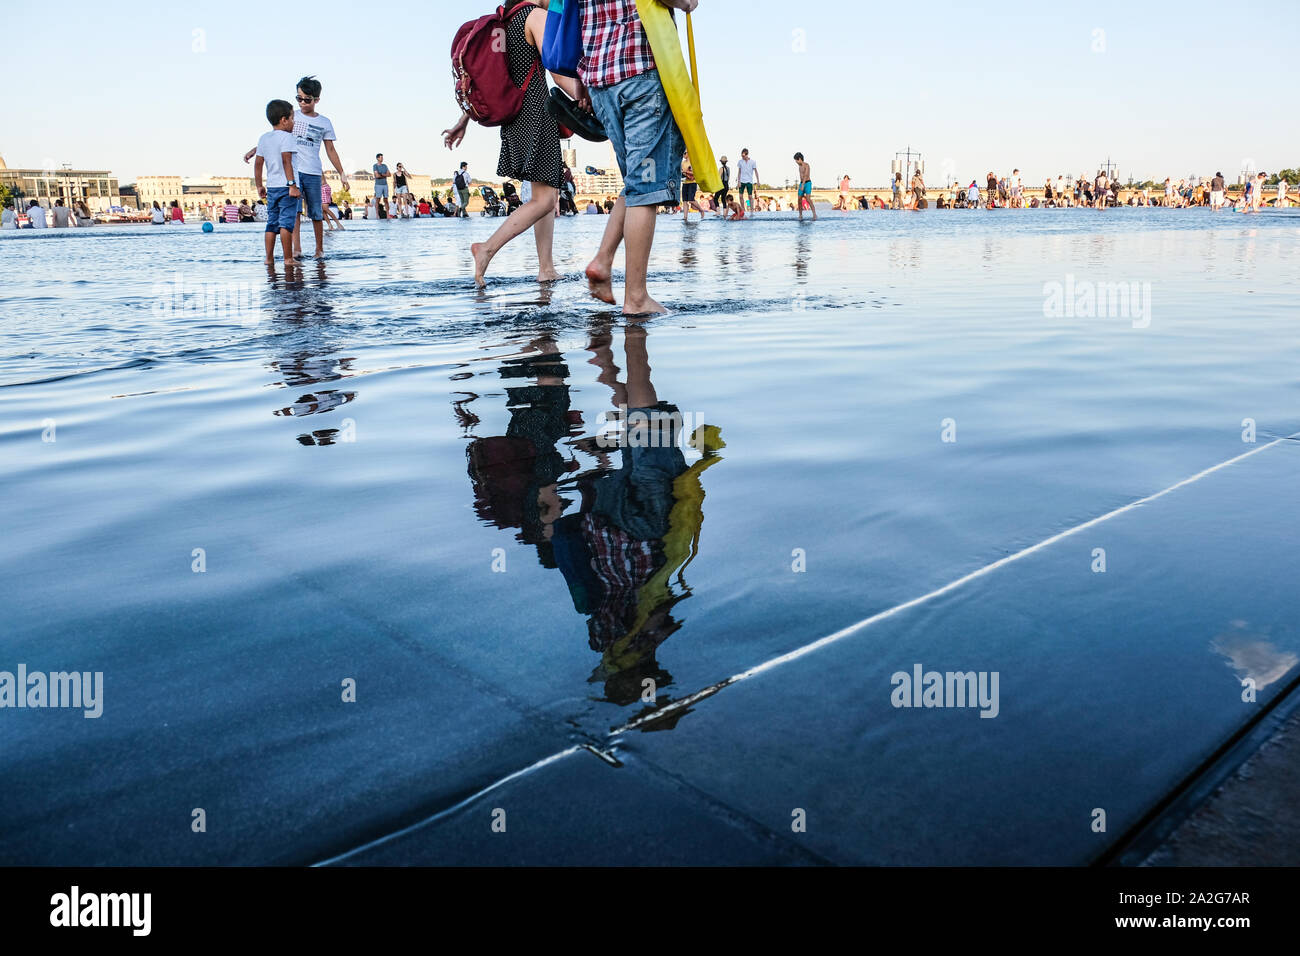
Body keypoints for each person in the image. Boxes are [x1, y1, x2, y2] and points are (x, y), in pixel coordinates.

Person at [573, 0, 702, 313]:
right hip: (640, 72)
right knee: (645, 192)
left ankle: (603, 262)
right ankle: (637, 298)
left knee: (635, 182)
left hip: (600, 82)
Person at [441, 0, 571, 285]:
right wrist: (591, 100)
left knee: (543, 191)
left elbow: (492, 77)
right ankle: (486, 249)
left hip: (515, 116)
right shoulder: (535, 16)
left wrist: (463, 120)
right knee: (546, 198)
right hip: (536, 111)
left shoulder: (506, 22)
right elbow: (558, 74)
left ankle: (546, 267)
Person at [253, 98, 302, 265]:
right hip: (286, 187)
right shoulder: (287, 138)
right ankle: (288, 259)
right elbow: (286, 161)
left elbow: (258, 163)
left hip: (272, 186)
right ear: (284, 120)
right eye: (292, 118)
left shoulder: (264, 138)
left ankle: (269, 258)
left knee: (271, 223)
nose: (294, 122)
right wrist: (292, 185)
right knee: (286, 224)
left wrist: (259, 185)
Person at [680, 153, 704, 222]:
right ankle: (685, 217)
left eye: (684, 153)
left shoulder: (693, 162)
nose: (683, 155)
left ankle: (701, 210)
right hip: (685, 182)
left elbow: (696, 172)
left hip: (692, 182)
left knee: (691, 200)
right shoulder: (682, 162)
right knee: (684, 201)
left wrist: (685, 172)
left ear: (688, 153)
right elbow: (681, 172)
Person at [794, 152, 817, 220]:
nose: (796, 162)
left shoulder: (806, 165)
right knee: (799, 199)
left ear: (800, 159)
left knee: (808, 199)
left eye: (796, 160)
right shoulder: (799, 167)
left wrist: (803, 184)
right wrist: (801, 184)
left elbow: (806, 175)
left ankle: (814, 214)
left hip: (807, 183)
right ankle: (800, 215)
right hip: (802, 183)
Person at [736, 147, 758, 213]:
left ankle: (751, 209)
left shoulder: (753, 162)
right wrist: (738, 182)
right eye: (741, 155)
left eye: (743, 155)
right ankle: (743, 209)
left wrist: (758, 181)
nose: (742, 157)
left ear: (746, 154)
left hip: (749, 181)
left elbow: (756, 172)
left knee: (750, 196)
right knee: (740, 196)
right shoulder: (740, 162)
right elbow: (739, 172)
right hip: (742, 181)